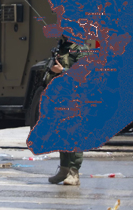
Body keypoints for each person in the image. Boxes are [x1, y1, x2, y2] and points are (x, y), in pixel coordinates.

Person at [45, 35, 88, 186]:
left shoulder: (81, 48)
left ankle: (74, 172)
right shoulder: (62, 48)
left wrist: (62, 70)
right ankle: (64, 170)